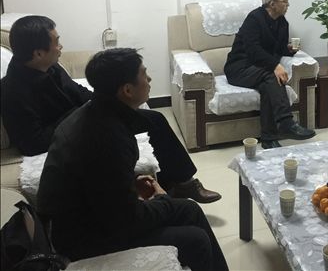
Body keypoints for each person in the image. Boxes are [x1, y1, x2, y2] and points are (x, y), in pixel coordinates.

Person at [36, 48, 229, 270]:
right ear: (127, 90)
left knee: (190, 210)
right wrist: (162, 199)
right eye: (144, 74)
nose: (149, 79)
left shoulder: (94, 113)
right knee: (196, 239)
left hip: (91, 216)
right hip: (83, 239)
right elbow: (126, 220)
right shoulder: (106, 137)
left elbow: (100, 183)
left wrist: (130, 183)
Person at [1, 15, 221, 203]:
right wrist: (79, 113)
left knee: (154, 119)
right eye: (56, 42)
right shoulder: (13, 90)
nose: (61, 47)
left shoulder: (50, 67)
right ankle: (169, 189)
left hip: (86, 119)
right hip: (73, 133)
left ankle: (183, 182)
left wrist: (103, 102)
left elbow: (79, 93)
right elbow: (32, 143)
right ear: (38, 53)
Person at [224, 0, 316, 149]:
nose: (288, 4)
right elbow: (253, 50)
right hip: (239, 68)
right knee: (272, 76)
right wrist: (275, 66)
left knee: (269, 86)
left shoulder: (282, 23)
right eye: (285, 1)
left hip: (260, 70)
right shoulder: (254, 19)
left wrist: (289, 50)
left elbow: (277, 49)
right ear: (272, 4)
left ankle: (268, 139)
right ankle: (286, 122)